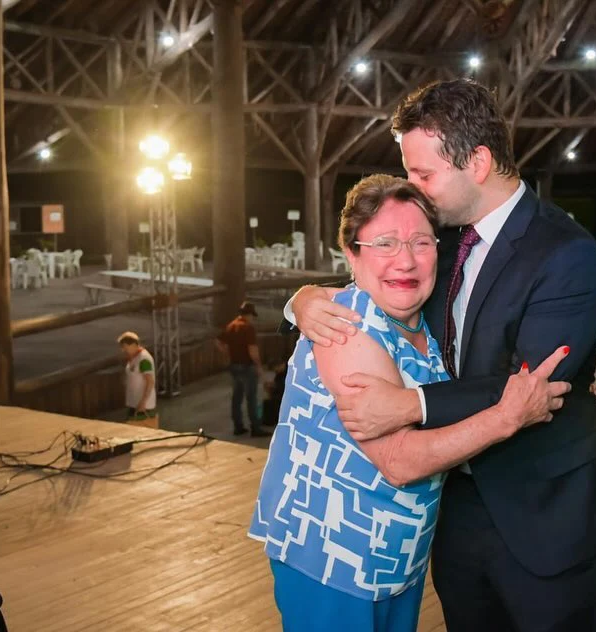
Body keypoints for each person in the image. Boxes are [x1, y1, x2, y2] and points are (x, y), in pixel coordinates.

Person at [285, 79, 596, 631]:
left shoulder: (567, 253)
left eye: (424, 174)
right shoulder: (441, 238)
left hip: (547, 511)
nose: (416, 189)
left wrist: (408, 406)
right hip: (456, 508)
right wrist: (301, 301)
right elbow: (376, 278)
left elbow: (527, 387)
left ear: (477, 162)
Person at [249, 175, 570, 632]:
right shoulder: (346, 327)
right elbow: (398, 461)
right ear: (352, 255)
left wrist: (299, 297)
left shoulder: (426, 318)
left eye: (421, 241)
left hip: (396, 556)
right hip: (329, 559)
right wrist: (508, 417)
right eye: (384, 243)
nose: (405, 259)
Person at [216, 301, 269, 437]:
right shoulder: (248, 328)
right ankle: (255, 428)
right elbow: (252, 350)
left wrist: (228, 354)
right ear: (250, 314)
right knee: (251, 398)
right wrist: (258, 366)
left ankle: (238, 426)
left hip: (234, 366)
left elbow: (218, 342)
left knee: (237, 397)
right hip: (247, 366)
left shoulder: (231, 326)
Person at [118, 331, 155, 421]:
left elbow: (150, 381)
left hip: (143, 405)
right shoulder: (133, 357)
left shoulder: (144, 359)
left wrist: (143, 402)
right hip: (133, 402)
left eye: (125, 347)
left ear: (134, 344)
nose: (123, 350)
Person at [259, 360, 287, 426]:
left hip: (282, 396)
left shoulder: (285, 375)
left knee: (272, 402)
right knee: (267, 402)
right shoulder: (279, 375)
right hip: (278, 394)